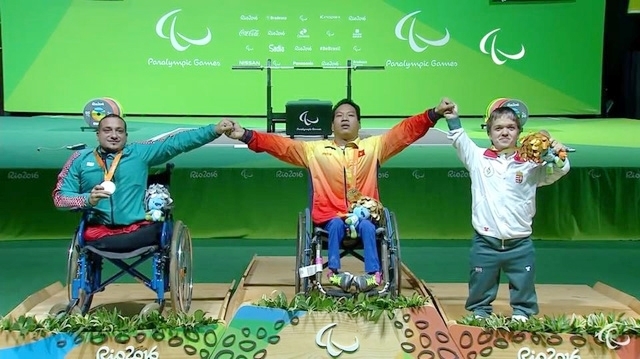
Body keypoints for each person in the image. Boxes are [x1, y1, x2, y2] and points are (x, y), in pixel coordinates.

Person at [225, 98, 455, 292]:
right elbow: (279, 145)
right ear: (332, 124)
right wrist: (245, 135)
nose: (345, 118)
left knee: (368, 227)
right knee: (334, 224)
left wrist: (433, 114)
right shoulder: (313, 151)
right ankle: (333, 273)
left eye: (351, 115)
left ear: (359, 123)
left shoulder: (375, 147)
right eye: (339, 115)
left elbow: (404, 132)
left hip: (365, 218)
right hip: (329, 218)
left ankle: (373, 275)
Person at [443, 104, 570, 322]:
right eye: (498, 127)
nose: (504, 132)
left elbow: (559, 170)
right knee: (480, 282)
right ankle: (480, 312)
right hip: (486, 241)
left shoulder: (530, 164)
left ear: (519, 132)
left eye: (511, 127)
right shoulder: (478, 158)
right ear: (489, 132)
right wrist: (453, 118)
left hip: (520, 242)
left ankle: (522, 313)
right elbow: (459, 139)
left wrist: (557, 154)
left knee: (524, 282)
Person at [52, 114, 233, 252]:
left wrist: (213, 130)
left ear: (126, 135)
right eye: (107, 130)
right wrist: (87, 200)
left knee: (160, 228)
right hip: (97, 232)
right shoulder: (79, 159)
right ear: (97, 134)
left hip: (137, 231)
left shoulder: (139, 153)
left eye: (119, 131)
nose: (114, 135)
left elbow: (177, 143)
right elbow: (60, 198)